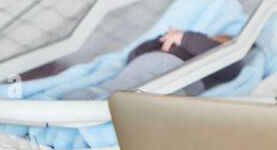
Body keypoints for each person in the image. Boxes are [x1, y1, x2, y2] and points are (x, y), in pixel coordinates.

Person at [59, 27, 241, 99]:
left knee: (153, 100)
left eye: (215, 42)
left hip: (179, 74)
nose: (202, 42)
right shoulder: (176, 45)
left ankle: (104, 115)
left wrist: (186, 37)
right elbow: (134, 55)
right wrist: (159, 40)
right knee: (112, 89)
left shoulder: (228, 63)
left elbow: (227, 62)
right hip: (143, 64)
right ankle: (74, 102)